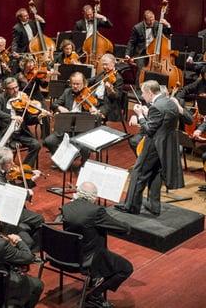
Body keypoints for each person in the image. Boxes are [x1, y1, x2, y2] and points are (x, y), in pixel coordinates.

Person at [116, 80, 183, 215]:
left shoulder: (156, 107)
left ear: (150, 93)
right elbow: (161, 124)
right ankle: (154, 206)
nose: (142, 96)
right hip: (166, 145)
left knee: (138, 172)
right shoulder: (170, 102)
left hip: (153, 145)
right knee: (155, 173)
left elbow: (149, 130)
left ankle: (131, 206)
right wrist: (148, 115)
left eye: (143, 93)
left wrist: (141, 115)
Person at [63, 182, 133, 308]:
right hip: (87, 259)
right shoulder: (96, 211)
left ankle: (95, 277)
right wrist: (127, 227)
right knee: (126, 268)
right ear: (94, 197)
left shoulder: (66, 207)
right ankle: (95, 295)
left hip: (67, 256)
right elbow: (121, 228)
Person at [0, 147, 45, 249]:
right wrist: (26, 194)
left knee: (31, 227)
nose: (13, 164)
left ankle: (28, 238)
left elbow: (12, 189)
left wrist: (31, 179)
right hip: (7, 211)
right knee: (39, 219)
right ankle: (35, 249)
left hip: (7, 206)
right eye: (10, 162)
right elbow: (10, 195)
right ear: (2, 163)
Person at [43, 72, 96, 161]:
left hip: (82, 130)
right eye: (73, 84)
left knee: (85, 147)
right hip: (66, 128)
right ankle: (59, 159)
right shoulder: (67, 92)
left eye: (78, 84)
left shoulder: (89, 94)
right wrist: (60, 107)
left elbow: (97, 110)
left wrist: (93, 111)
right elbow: (54, 104)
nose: (75, 86)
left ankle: (83, 163)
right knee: (49, 141)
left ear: (84, 84)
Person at [0, 77, 43, 165]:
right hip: (3, 132)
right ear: (6, 90)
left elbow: (28, 120)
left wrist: (38, 118)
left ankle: (25, 168)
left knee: (36, 145)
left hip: (20, 133)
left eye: (16, 87)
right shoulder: (1, 98)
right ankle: (3, 171)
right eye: (12, 89)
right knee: (3, 151)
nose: (15, 91)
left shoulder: (22, 98)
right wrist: (12, 117)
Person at [88, 53, 124, 122]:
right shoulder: (103, 73)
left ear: (113, 64)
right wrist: (82, 81)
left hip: (107, 104)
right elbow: (91, 80)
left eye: (106, 64)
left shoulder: (118, 78)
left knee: (94, 116)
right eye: (103, 64)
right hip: (96, 101)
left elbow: (116, 97)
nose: (104, 66)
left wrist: (109, 89)